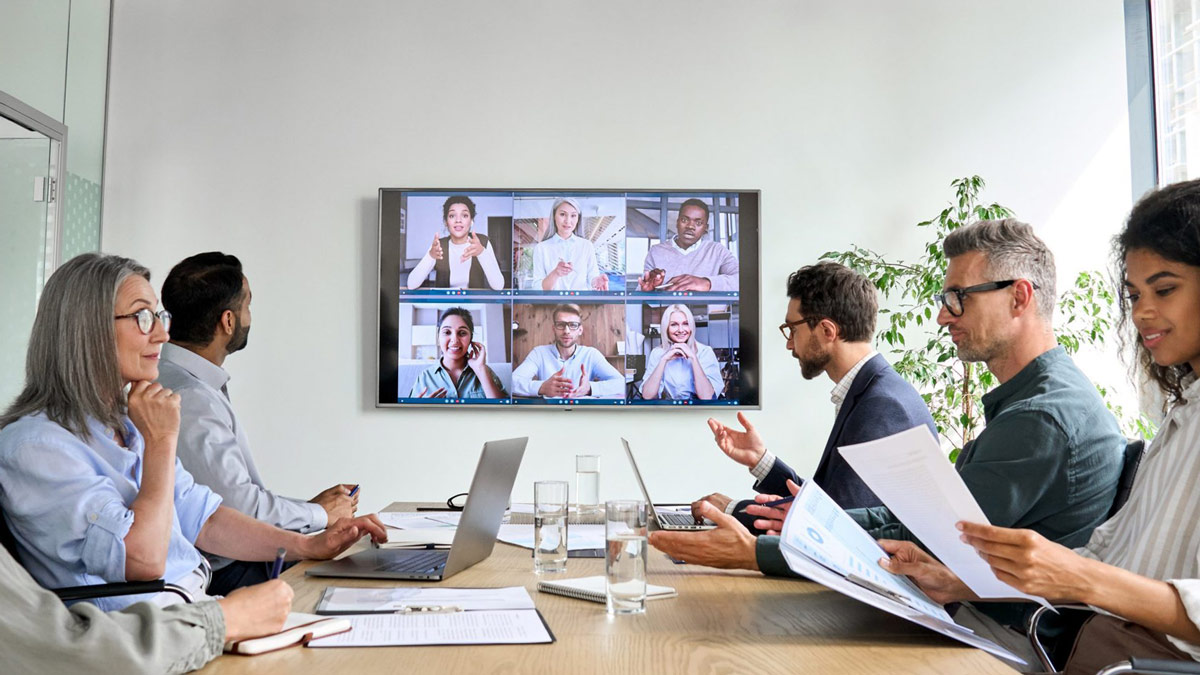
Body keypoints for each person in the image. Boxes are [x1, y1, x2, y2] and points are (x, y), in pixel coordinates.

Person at [651, 220, 1124, 635]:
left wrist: (760, 545)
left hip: (993, 633)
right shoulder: (1033, 403)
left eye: (957, 298)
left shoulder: (1039, 417)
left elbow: (929, 540)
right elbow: (913, 522)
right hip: (971, 615)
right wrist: (791, 520)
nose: (942, 315)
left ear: (1019, 297)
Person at [879, 181, 1200, 673]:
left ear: (1019, 298)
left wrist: (1077, 577)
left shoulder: (1046, 414)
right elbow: (1106, 559)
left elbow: (1089, 576)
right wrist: (963, 582)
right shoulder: (1182, 416)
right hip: (1096, 644)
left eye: (1165, 289)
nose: (1142, 313)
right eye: (1134, 294)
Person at [0, 253, 387, 611]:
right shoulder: (36, 447)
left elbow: (207, 520)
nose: (162, 336)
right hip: (140, 640)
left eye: (158, 316)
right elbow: (143, 559)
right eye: (142, 318)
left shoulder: (124, 422)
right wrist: (162, 442)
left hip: (193, 612)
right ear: (89, 331)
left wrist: (310, 544)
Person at [156, 252, 363, 595]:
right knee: (352, 576)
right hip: (224, 573)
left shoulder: (179, 380)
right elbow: (238, 507)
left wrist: (310, 512)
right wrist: (319, 515)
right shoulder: (191, 398)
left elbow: (230, 497)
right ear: (228, 321)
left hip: (230, 560)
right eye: (247, 306)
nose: (250, 316)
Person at [688, 262, 936, 531]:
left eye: (792, 329)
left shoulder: (881, 405)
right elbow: (831, 505)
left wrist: (732, 510)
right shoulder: (873, 391)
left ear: (827, 331)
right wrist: (761, 461)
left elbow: (836, 527)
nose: (789, 343)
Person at [0, 544, 292, 674]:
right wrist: (227, 618)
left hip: (183, 617)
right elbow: (82, 655)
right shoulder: (38, 445)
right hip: (158, 629)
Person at [511, 303, 624, 398]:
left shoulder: (591, 355)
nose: (566, 331)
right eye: (561, 325)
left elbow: (621, 384)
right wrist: (542, 387)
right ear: (554, 329)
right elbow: (512, 382)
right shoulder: (539, 353)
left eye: (573, 325)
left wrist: (590, 388)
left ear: (580, 330)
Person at [637, 199, 739, 292]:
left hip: (705, 313)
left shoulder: (717, 251)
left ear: (706, 228)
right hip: (666, 312)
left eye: (698, 222)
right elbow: (642, 289)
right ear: (677, 223)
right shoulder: (656, 252)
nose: (690, 226)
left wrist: (707, 283)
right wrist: (647, 291)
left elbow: (742, 280)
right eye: (684, 220)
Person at [406, 195, 505, 290]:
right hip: (445, 306)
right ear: (446, 221)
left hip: (476, 307)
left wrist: (481, 253)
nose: (458, 220)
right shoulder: (439, 245)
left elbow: (498, 286)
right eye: (452, 215)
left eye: (464, 215)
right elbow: (411, 284)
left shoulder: (482, 242)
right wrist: (431, 256)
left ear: (471, 221)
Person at [409, 307, 508, 399]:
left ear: (471, 339)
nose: (455, 340)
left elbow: (504, 411)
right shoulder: (425, 377)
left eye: (462, 333)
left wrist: (480, 369)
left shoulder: (484, 370)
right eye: (447, 332)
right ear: (438, 338)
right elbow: (410, 415)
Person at [639, 304, 724, 401]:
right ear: (666, 328)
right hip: (672, 409)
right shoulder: (657, 353)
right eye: (674, 324)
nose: (680, 330)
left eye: (685, 323)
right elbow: (647, 396)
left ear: (691, 326)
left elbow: (707, 397)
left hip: (700, 410)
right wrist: (663, 360)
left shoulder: (705, 352)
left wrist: (693, 358)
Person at [531, 197, 609, 291]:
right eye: (562, 214)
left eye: (573, 215)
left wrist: (597, 281)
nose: (568, 221)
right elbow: (537, 288)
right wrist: (555, 273)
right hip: (553, 305)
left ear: (578, 219)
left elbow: (592, 277)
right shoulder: (541, 248)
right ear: (554, 216)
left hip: (582, 304)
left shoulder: (587, 246)